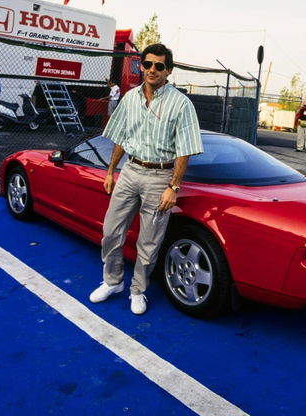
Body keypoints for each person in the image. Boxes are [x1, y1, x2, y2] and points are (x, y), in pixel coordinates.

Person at [89, 43, 203, 314]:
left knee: (149, 241)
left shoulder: (181, 104)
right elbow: (120, 137)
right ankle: (113, 281)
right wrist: (110, 171)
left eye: (159, 66)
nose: (152, 70)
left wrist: (173, 186)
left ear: (169, 71)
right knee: (110, 232)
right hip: (130, 171)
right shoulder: (130, 98)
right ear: (141, 66)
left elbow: (184, 150)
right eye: (148, 64)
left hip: (159, 176)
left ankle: (137, 290)